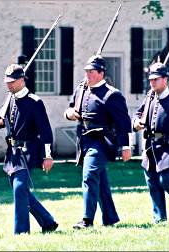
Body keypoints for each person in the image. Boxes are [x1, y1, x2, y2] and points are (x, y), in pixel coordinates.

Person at [0, 64, 58, 235]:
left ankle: (21, 232)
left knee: (20, 188)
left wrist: (47, 156)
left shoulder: (35, 102)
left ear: (22, 80)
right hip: (12, 152)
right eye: (7, 82)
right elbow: (3, 121)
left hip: (28, 151)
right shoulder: (10, 98)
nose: (9, 85)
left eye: (12, 82)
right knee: (22, 191)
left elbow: (46, 131)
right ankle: (47, 221)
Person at [64, 55, 132, 229]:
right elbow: (71, 108)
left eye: (92, 71)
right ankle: (110, 217)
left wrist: (126, 146)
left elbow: (123, 122)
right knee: (100, 180)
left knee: (89, 176)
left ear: (101, 73)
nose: (88, 74)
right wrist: (69, 114)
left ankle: (87, 219)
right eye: (86, 71)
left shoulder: (112, 94)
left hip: (102, 141)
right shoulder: (81, 89)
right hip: (84, 140)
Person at [132, 61, 169, 224]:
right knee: (152, 182)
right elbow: (138, 114)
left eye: (156, 79)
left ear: (166, 79)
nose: (152, 82)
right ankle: (159, 219)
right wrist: (136, 123)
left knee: (166, 181)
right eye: (151, 79)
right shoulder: (150, 96)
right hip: (151, 147)